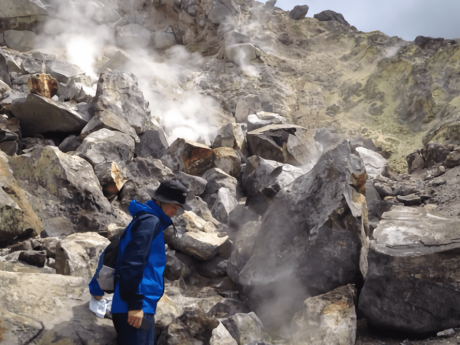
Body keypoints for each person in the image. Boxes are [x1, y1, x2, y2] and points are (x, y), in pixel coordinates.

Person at [89, 180, 189, 345]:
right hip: (135, 307)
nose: (174, 212)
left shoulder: (145, 219)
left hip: (136, 305)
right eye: (174, 207)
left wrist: (97, 287)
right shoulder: (150, 222)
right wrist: (135, 305)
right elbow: (132, 262)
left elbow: (116, 251)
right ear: (161, 201)